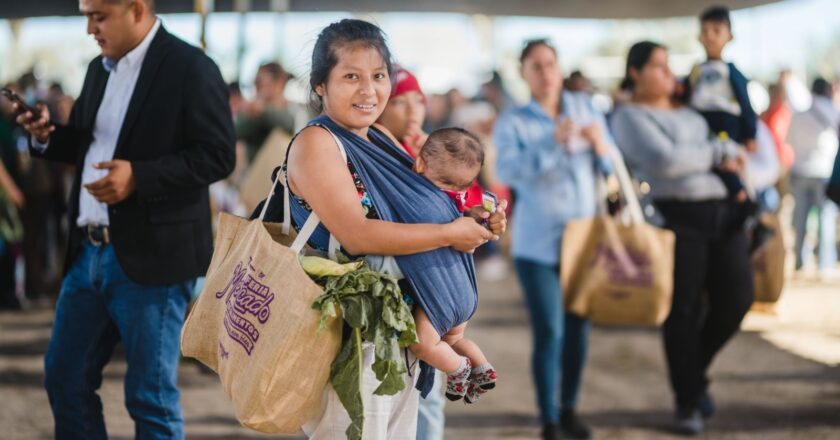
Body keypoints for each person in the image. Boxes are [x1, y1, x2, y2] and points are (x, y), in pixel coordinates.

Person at [14, 0, 236, 438]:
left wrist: (140, 176)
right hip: (87, 256)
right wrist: (47, 136)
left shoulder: (190, 67)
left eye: (98, 16)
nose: (89, 28)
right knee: (65, 379)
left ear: (136, 9)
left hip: (153, 259)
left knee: (149, 399)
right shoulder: (99, 69)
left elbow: (218, 155)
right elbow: (86, 143)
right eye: (85, 15)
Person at [285, 19, 506, 439]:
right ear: (320, 86)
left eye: (379, 76)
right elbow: (357, 235)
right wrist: (450, 235)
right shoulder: (317, 143)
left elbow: (429, 210)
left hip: (399, 336)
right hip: (348, 340)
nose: (369, 91)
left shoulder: (380, 138)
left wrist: (474, 223)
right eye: (351, 77)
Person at [610, 41, 754, 435]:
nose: (667, 72)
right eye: (657, 66)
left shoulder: (690, 111)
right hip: (678, 218)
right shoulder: (628, 116)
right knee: (684, 311)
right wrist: (714, 151)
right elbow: (666, 161)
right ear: (635, 71)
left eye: (667, 64)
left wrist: (711, 149)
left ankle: (694, 374)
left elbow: (730, 148)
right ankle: (687, 399)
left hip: (724, 213)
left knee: (737, 298)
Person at [493, 39, 613, 440]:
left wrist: (600, 147)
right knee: (551, 330)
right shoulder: (514, 122)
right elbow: (507, 172)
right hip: (536, 243)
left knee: (579, 329)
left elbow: (612, 164)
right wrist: (551, 143)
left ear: (560, 68)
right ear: (524, 74)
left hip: (583, 240)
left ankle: (570, 409)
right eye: (535, 66)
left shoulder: (587, 108)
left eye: (550, 64)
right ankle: (548, 419)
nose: (545, 72)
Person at [366, 127, 498, 405]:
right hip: (464, 292)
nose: (454, 191)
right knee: (452, 340)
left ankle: (460, 368)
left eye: (461, 187)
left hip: (436, 298)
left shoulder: (419, 197)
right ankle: (481, 366)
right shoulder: (459, 202)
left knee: (423, 344)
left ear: (420, 163)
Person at [374, 66, 445, 440]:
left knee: (430, 393)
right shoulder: (374, 155)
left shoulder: (436, 149)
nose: (411, 108)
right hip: (390, 289)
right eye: (399, 100)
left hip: (433, 287)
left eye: (417, 98)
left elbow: (472, 200)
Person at [684, 6, 758, 208]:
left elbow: (745, 103)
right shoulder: (696, 71)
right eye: (705, 31)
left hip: (726, 122)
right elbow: (685, 93)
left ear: (729, 36)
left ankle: (742, 196)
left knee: (725, 157)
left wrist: (750, 133)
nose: (709, 36)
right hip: (700, 121)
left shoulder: (731, 71)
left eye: (716, 31)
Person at [786, 78, 840, 278]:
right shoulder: (832, 111)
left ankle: (799, 261)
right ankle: (824, 262)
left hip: (800, 170)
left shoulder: (799, 115)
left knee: (800, 219)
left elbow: (789, 141)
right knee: (825, 218)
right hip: (824, 172)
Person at [236, 61, 296, 163]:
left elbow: (288, 124)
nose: (257, 86)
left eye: (261, 81)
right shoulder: (252, 108)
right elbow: (237, 131)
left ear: (279, 82)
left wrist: (262, 110)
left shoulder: (293, 108)